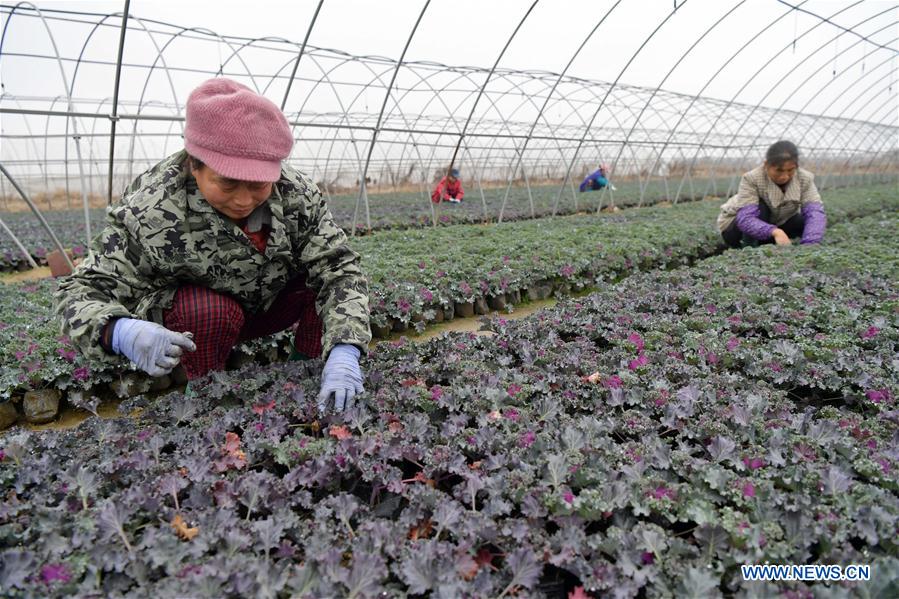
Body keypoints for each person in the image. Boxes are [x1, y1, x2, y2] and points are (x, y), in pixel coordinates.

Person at [55, 78, 371, 413]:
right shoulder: (152, 208)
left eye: (259, 184)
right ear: (194, 164)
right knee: (208, 310)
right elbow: (81, 291)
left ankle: (307, 374)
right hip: (200, 327)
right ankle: (206, 397)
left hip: (271, 304)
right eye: (228, 183)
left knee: (321, 282)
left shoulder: (296, 194)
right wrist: (120, 331)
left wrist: (345, 350)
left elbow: (339, 269)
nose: (244, 200)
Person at [717, 140, 826, 248]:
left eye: (790, 170)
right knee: (761, 208)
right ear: (766, 165)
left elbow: (814, 211)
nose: (785, 176)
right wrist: (775, 232)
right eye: (779, 170)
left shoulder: (804, 178)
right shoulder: (752, 178)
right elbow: (745, 218)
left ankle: (773, 243)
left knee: (805, 221)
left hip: (775, 223)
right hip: (736, 229)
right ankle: (748, 249)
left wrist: (811, 242)